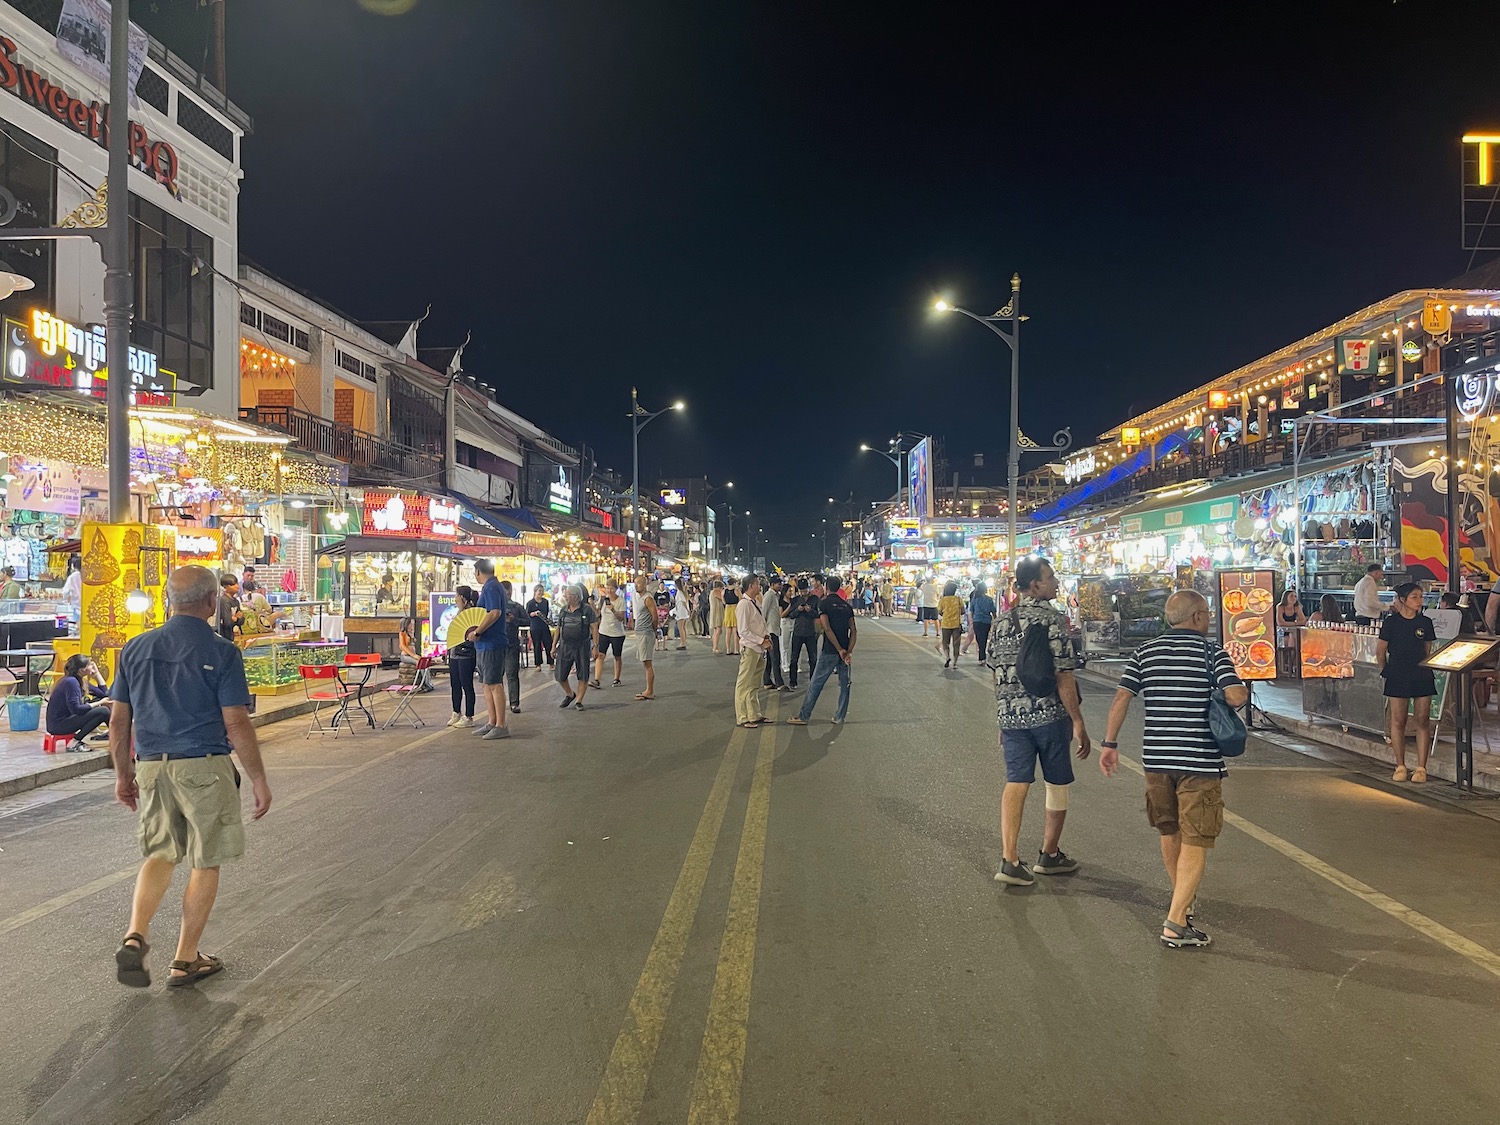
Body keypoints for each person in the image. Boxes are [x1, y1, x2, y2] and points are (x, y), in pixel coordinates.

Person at [109, 565, 271, 988]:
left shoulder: (135, 648)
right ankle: (184, 959)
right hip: (203, 765)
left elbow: (118, 720)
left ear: (168, 600)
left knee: (160, 853)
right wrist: (258, 778)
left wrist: (123, 775)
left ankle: (136, 934)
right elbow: (235, 722)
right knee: (205, 858)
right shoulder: (222, 652)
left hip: (152, 766)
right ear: (211, 602)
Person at [1100, 589, 1247, 949]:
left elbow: (1122, 697)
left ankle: (1182, 900)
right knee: (1196, 837)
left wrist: (1109, 743)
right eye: (1208, 613)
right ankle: (1175, 923)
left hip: (1157, 761)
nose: (1210, 618)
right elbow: (1236, 696)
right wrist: (1226, 691)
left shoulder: (1144, 653)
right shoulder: (1212, 654)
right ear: (1197, 617)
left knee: (1169, 831)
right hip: (1198, 761)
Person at [985, 558, 1092, 886]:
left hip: (1012, 719)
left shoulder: (1000, 621)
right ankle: (1049, 854)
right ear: (1035, 586)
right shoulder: (1053, 620)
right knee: (1056, 782)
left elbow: (996, 668)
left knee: (1016, 781)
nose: (1057, 582)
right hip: (1049, 716)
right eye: (1050, 577)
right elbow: (1064, 675)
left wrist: (1004, 718)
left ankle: (1010, 859)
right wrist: (1078, 722)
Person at [1379, 582, 1437, 784]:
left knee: (1422, 719)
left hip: (1421, 673)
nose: (1419, 601)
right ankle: (1400, 764)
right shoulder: (1391, 623)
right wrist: (1385, 670)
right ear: (1403, 600)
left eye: (1421, 597)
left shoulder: (1425, 622)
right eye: (1414, 597)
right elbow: (1381, 651)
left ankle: (1421, 767)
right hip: (1397, 673)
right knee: (1398, 721)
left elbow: (1427, 649)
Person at [788, 575, 856, 726]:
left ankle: (804, 716)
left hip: (831, 650)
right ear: (839, 587)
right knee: (844, 684)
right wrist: (848, 651)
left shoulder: (824, 604)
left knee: (816, 683)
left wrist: (839, 649)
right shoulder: (847, 606)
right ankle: (840, 716)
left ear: (826, 587)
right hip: (845, 650)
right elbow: (853, 630)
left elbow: (826, 628)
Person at [470, 558, 511, 740]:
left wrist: (478, 631)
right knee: (487, 684)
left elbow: (495, 612)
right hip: (485, 644)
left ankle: (501, 725)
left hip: (492, 643)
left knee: (494, 684)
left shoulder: (492, 586)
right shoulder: (491, 586)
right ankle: (492, 721)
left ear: (478, 571)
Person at [734, 574, 773, 728]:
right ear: (751, 585)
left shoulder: (755, 602)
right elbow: (743, 631)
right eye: (757, 584)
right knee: (743, 683)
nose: (759, 586)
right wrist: (760, 640)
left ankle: (754, 714)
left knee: (754, 684)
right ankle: (742, 717)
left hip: (759, 649)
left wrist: (766, 638)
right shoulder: (744, 605)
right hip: (750, 648)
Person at [46, 653, 112, 743]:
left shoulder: (79, 680)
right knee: (103, 711)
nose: (92, 665)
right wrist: (99, 703)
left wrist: (97, 674)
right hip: (58, 725)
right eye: (89, 665)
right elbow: (76, 709)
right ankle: (75, 742)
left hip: (68, 719)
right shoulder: (71, 682)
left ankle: (113, 735)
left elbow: (104, 694)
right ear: (81, 670)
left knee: (103, 705)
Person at [554, 584, 596, 708]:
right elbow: (558, 628)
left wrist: (595, 646)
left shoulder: (586, 610)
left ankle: (579, 701)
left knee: (583, 673)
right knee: (560, 675)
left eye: (568, 595)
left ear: (576, 597)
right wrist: (553, 645)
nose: (566, 597)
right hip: (565, 645)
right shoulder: (564, 610)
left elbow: (594, 627)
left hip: (582, 645)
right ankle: (570, 694)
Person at [447, 585, 479, 728]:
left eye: (456, 595)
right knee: (455, 684)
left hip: (466, 654)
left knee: (467, 685)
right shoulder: (459, 613)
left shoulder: (471, 614)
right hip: (454, 653)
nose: (455, 598)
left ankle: (469, 716)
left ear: (462, 598)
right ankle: (456, 712)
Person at [592, 580, 627, 688]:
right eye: (607, 588)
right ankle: (597, 680)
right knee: (601, 655)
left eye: (611, 588)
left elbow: (621, 618)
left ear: (616, 589)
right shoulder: (603, 600)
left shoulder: (620, 601)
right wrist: (592, 605)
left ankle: (617, 679)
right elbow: (598, 614)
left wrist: (613, 610)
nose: (609, 590)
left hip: (617, 633)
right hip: (604, 631)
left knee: (617, 656)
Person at [786, 577, 819, 688]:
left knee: (813, 658)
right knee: (794, 658)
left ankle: (813, 680)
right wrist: (798, 610)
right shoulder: (795, 600)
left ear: (808, 589)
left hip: (810, 632)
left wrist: (811, 610)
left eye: (805, 590)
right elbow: (790, 615)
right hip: (798, 632)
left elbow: (818, 614)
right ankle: (793, 681)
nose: (803, 593)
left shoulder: (814, 599)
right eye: (801, 591)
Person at [500, 580, 525, 714]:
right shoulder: (495, 607)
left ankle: (514, 703)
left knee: (511, 674)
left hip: (511, 644)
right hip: (497, 644)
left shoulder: (517, 607)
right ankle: (499, 703)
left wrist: (514, 620)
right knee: (496, 677)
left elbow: (527, 621)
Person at [633, 577, 658, 701]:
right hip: (641, 633)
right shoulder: (640, 598)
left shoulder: (648, 598)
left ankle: (650, 691)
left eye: (638, 583)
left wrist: (653, 629)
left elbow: (655, 616)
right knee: (645, 662)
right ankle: (648, 689)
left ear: (644, 584)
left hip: (646, 633)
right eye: (635, 583)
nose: (636, 586)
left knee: (647, 663)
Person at [761, 575, 786, 691]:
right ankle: (779, 683)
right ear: (772, 585)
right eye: (778, 584)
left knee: (771, 658)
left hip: (775, 629)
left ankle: (767, 681)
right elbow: (763, 613)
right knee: (775, 657)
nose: (780, 586)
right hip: (770, 630)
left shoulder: (776, 595)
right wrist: (764, 631)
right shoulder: (769, 595)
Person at [398, 617, 435, 692]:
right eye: (410, 624)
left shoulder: (411, 633)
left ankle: (428, 683)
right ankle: (424, 684)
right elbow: (403, 646)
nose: (412, 625)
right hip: (406, 656)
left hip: (413, 654)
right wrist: (413, 655)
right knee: (419, 663)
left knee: (425, 665)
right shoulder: (402, 634)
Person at [1276, 590, 1307, 678]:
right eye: (1291, 596)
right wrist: (1295, 623)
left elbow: (1303, 621)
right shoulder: (1280, 607)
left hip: (1292, 631)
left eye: (1295, 596)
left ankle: (1292, 663)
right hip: (1282, 632)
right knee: (1292, 638)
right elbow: (1280, 622)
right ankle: (1292, 663)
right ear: (1286, 597)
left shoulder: (1297, 607)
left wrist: (1292, 624)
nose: (1294, 598)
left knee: (1293, 637)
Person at [967, 580, 996, 663]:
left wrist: (971, 621)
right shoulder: (989, 599)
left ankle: (981, 657)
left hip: (977, 621)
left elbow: (971, 610)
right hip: (986, 621)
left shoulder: (974, 599)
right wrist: (996, 620)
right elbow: (993, 611)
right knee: (984, 638)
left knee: (979, 639)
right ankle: (982, 657)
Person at [526, 584, 554, 668]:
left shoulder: (545, 602)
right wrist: (534, 614)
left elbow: (546, 613)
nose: (541, 593)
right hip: (535, 626)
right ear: (535, 591)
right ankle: (538, 664)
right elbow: (528, 614)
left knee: (548, 644)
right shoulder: (530, 603)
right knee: (537, 645)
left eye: (542, 591)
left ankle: (551, 662)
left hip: (544, 626)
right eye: (539, 591)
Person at [938, 580, 964, 667]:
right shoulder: (958, 599)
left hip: (945, 624)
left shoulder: (943, 600)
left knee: (945, 642)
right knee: (956, 644)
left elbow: (940, 611)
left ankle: (947, 657)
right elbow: (963, 611)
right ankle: (955, 663)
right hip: (956, 624)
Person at [216, 574, 245, 642]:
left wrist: (236, 618)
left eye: (237, 583)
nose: (237, 586)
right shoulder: (224, 600)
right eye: (233, 585)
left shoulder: (236, 601)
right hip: (224, 636)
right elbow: (227, 622)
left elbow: (242, 620)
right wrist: (235, 619)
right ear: (226, 587)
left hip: (232, 636)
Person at [723, 579, 741, 655]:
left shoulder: (724, 591)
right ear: (734, 583)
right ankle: (736, 650)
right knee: (735, 631)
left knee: (728, 632)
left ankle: (728, 649)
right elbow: (741, 599)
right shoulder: (736, 591)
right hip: (735, 609)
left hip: (727, 609)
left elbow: (723, 601)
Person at [674, 582, 693, 649]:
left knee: (680, 628)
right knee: (683, 627)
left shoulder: (679, 592)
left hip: (681, 611)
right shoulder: (683, 592)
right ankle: (684, 641)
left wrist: (687, 610)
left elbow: (683, 602)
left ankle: (683, 643)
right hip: (683, 611)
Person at [710, 580, 727, 654]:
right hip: (717, 612)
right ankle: (715, 647)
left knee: (716, 630)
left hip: (716, 611)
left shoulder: (712, 592)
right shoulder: (716, 592)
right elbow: (724, 600)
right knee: (718, 630)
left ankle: (715, 646)